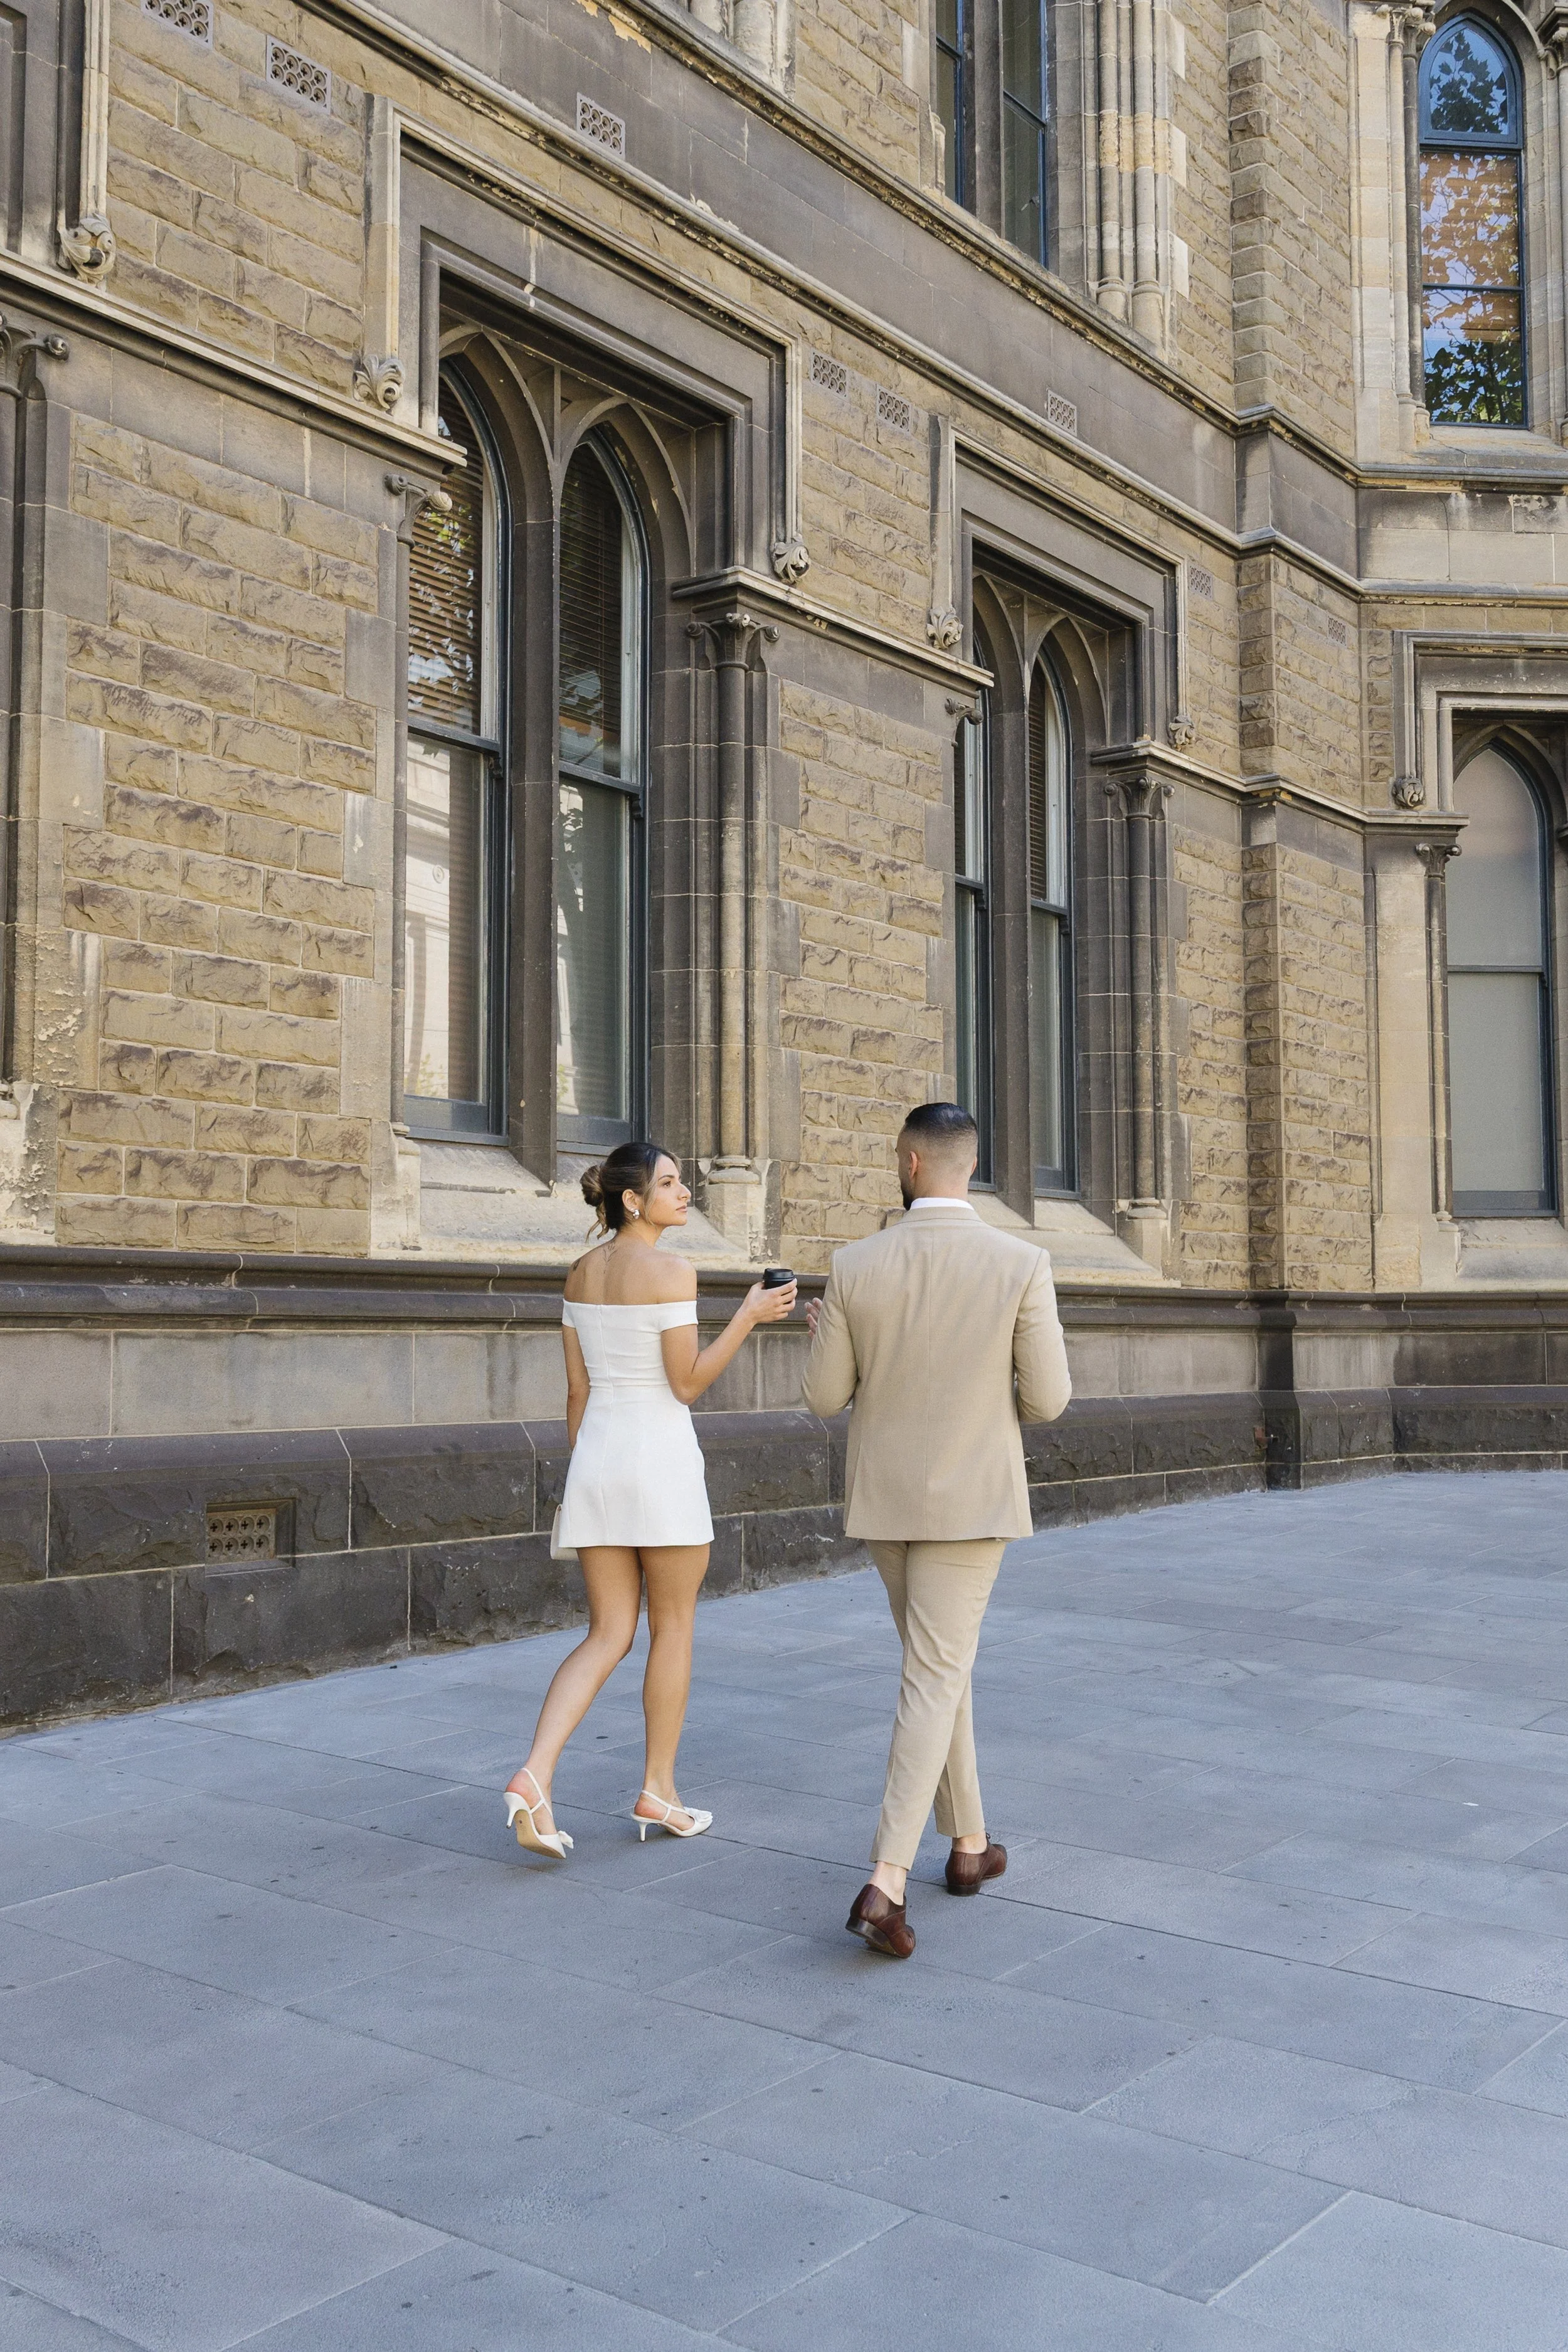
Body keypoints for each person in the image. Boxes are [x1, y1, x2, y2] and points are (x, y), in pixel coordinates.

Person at [802, 1101, 1072, 1957]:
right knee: (934, 1673)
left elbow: (823, 1397)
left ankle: (968, 1844)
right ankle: (885, 1878)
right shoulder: (1021, 1261)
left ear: (909, 1164)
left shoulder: (855, 1263)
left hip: (887, 1500)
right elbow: (1050, 1399)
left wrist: (825, 1338)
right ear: (969, 1164)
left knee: (933, 1666)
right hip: (973, 1501)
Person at [503, 1143, 797, 1860]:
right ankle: (658, 1789)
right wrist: (750, 1316)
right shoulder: (672, 1270)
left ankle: (534, 1774)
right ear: (632, 1200)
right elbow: (688, 1383)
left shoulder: (579, 1272)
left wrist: (587, 1471)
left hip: (598, 1459)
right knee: (672, 1626)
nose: (684, 1191)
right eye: (668, 1183)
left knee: (607, 1633)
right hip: (659, 1461)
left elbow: (576, 1391)